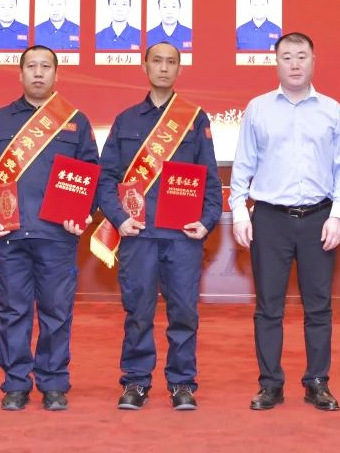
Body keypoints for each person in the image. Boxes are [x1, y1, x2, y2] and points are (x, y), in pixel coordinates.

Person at [229, 32, 340, 412]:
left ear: (313, 61)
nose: (295, 64)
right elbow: (243, 166)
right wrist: (239, 211)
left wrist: (338, 215)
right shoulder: (258, 109)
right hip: (270, 219)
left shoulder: (332, 110)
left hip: (319, 218)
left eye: (302, 56)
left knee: (319, 306)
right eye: (287, 57)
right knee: (268, 306)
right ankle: (270, 384)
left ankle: (317, 382)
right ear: (277, 62)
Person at [0, 45, 99, 412]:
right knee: (13, 312)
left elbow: (91, 174)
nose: (39, 73)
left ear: (57, 74)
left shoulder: (75, 121)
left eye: (46, 66)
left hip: (57, 235)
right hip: (10, 233)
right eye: (32, 66)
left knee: (56, 313)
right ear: (20, 73)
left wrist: (83, 212)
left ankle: (53, 382)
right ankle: (15, 384)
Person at [97, 42, 221, 411]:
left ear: (179, 69)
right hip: (138, 235)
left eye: (171, 62)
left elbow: (210, 180)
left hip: (182, 237)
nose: (164, 68)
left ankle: (182, 383)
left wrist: (207, 221)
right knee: (138, 312)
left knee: (184, 312)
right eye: (157, 61)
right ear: (145, 66)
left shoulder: (195, 119)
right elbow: (106, 178)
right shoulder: (126, 120)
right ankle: (136, 380)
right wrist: (119, 219)